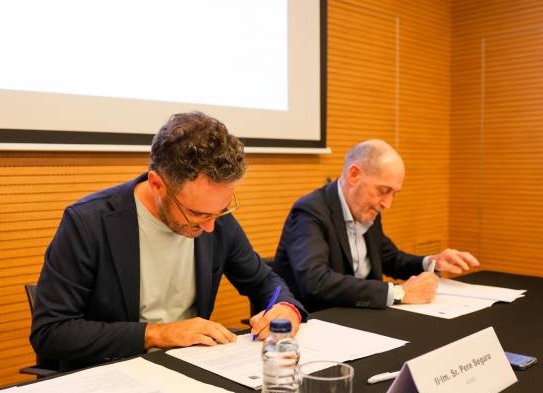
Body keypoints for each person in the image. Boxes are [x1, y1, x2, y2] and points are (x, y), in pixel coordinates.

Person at [31, 111, 306, 372]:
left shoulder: (215, 219)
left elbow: (265, 283)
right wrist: (157, 334)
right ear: (157, 184)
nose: (211, 226)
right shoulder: (89, 223)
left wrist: (285, 308)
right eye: (197, 213)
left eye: (220, 211)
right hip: (112, 375)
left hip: (190, 368)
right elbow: (52, 332)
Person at [273, 139, 479, 312]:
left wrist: (431, 262)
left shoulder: (367, 208)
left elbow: (390, 258)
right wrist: (399, 293)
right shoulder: (310, 211)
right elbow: (316, 282)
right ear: (354, 175)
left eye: (394, 194)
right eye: (383, 190)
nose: (387, 204)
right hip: (322, 322)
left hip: (365, 319)